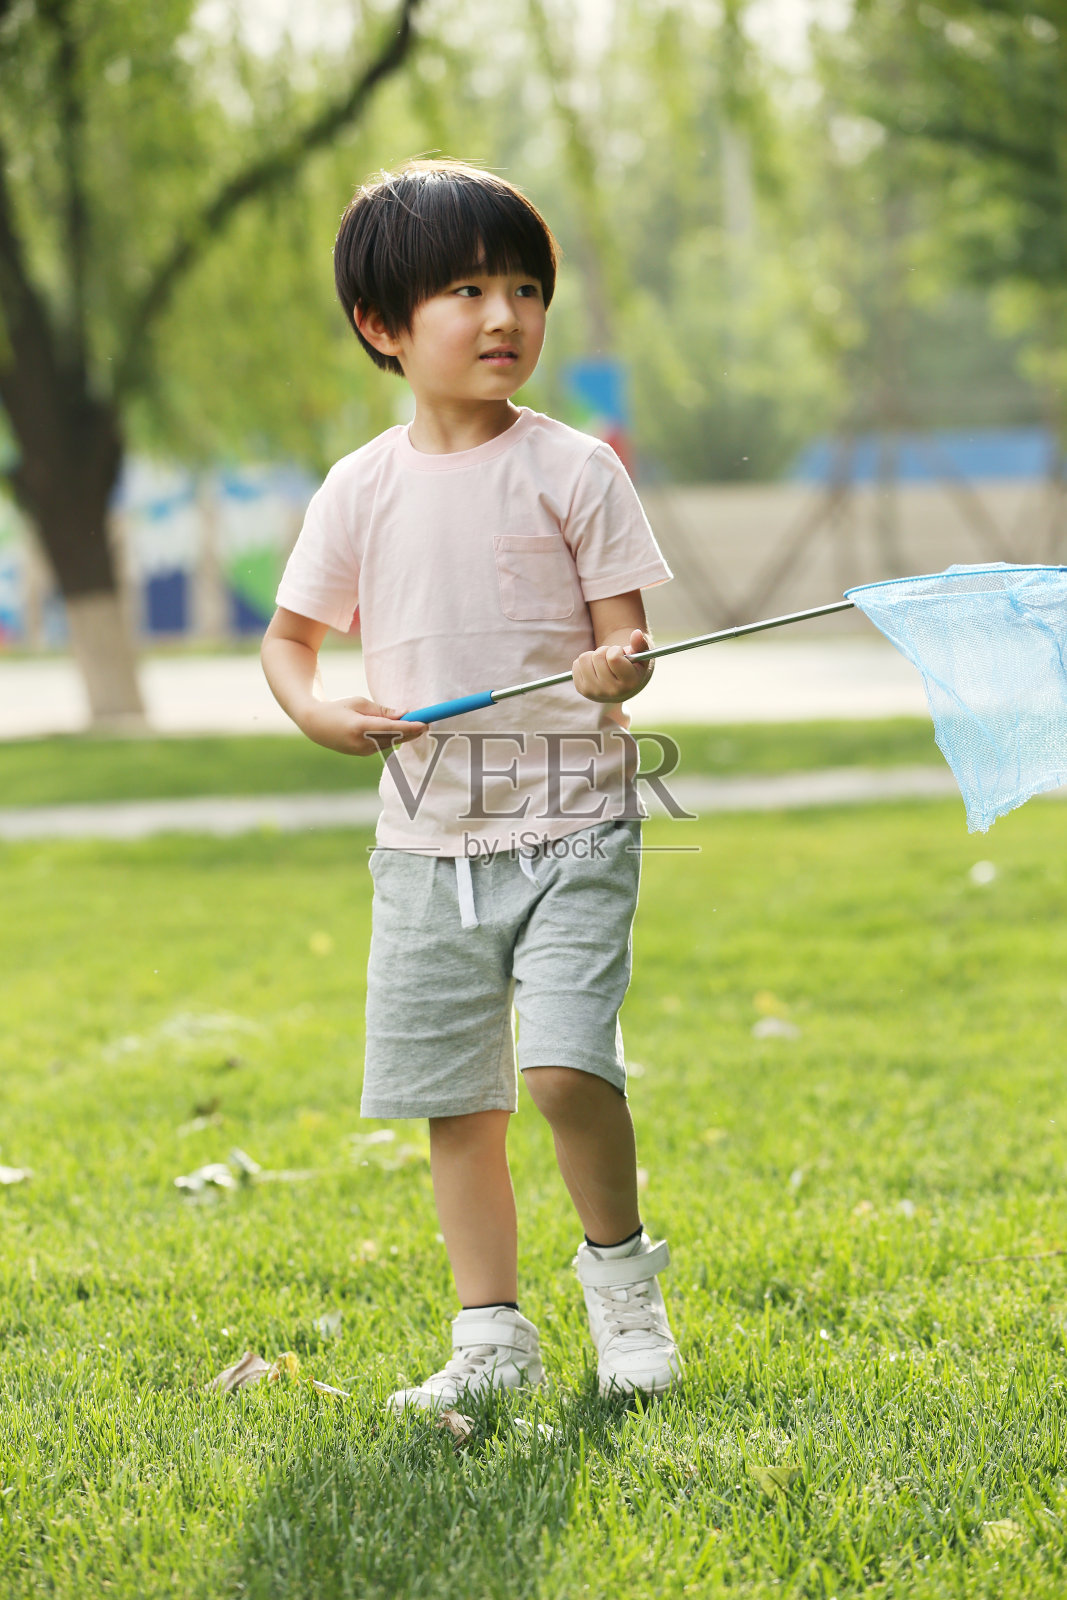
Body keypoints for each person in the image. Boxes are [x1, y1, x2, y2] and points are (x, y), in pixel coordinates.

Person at [261, 159, 682, 1408]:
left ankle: (624, 1293)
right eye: (466, 291)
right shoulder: (359, 487)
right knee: (457, 1101)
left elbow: (625, 644)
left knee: (562, 1070)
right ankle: (489, 1340)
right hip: (426, 845)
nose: (505, 316)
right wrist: (319, 712)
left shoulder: (576, 469)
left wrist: (614, 672)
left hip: (573, 821)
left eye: (525, 290)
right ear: (381, 325)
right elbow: (289, 642)